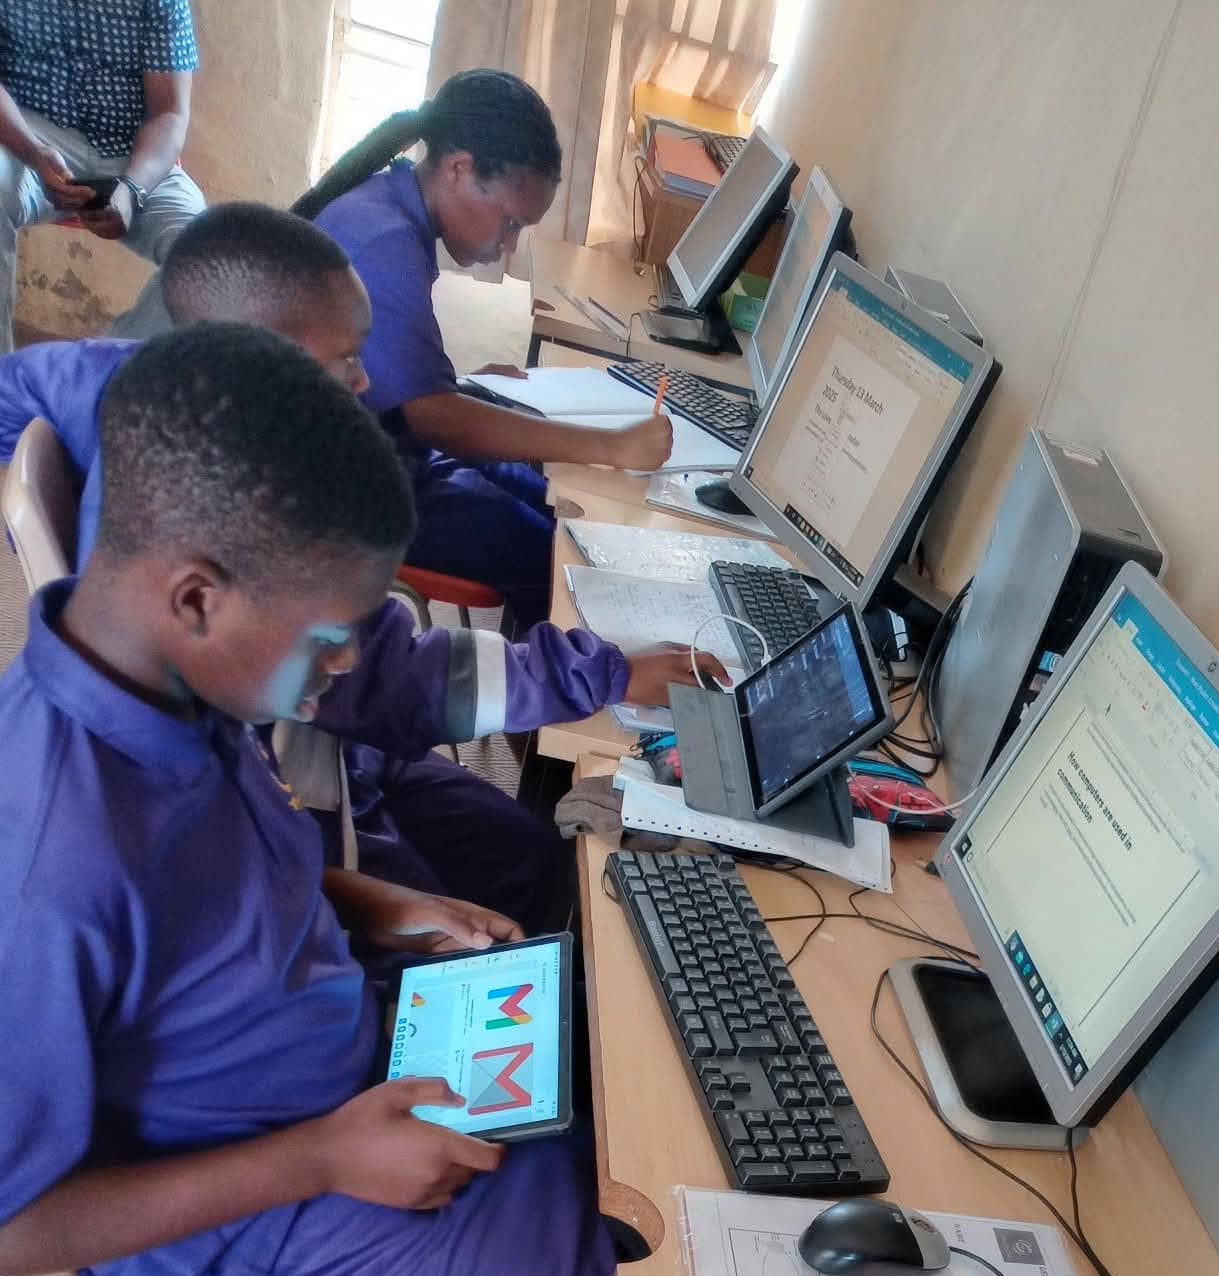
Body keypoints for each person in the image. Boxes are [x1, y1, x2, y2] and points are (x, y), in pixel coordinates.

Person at [0, 322, 622, 1276]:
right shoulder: (42, 868)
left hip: (357, 1058)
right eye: (334, 639)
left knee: (649, 1082)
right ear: (197, 597)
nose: (344, 669)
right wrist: (324, 1160)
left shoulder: (184, 688)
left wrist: (370, 900)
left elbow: (203, 897)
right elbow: (10, 1222)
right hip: (256, 1228)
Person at [0, 200, 715, 929]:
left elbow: (14, 387)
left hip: (333, 747)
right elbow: (383, 678)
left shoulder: (132, 383)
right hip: (305, 782)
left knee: (527, 854)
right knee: (509, 898)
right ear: (258, 352)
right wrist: (605, 676)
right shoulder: (262, 556)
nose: (367, 380)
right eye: (347, 357)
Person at [294, 69, 673, 627]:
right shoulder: (384, 242)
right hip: (345, 492)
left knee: (549, 497)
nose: (508, 246)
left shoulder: (392, 205)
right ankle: (549, 675)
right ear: (459, 169)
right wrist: (610, 446)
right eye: (510, 223)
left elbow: (409, 390)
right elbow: (436, 420)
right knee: (554, 555)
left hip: (385, 448)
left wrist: (461, 386)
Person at [0, 0, 205, 353]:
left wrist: (132, 189)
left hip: (135, 153)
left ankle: (105, 373)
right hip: (30, 135)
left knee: (205, 253)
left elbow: (170, 113)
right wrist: (33, 152)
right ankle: (6, 382)